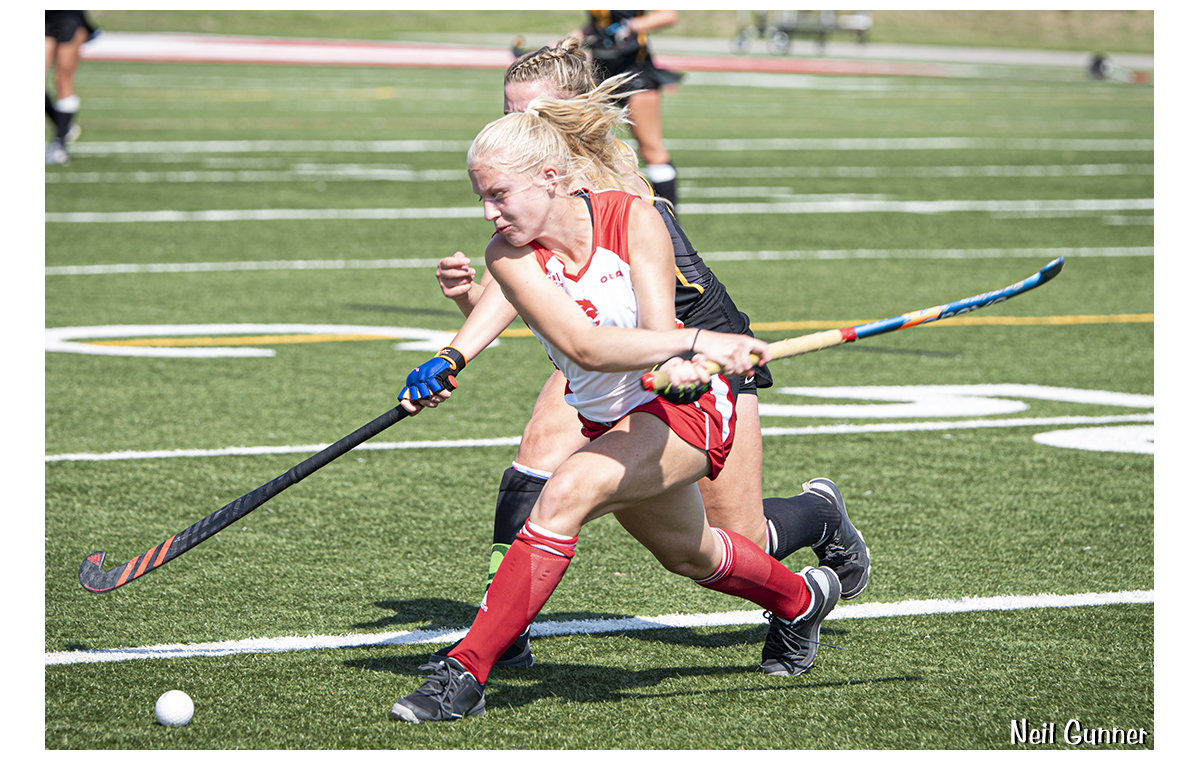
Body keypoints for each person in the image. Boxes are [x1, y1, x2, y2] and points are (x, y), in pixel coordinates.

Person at [409, 40, 869, 672]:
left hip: (691, 340)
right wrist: (464, 329)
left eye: (536, 115)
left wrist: (690, 351)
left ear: (575, 112)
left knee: (731, 541)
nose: (522, 129)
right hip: (615, 351)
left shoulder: (609, 184)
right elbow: (536, 296)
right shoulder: (531, 183)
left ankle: (817, 517)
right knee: (541, 448)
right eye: (511, 113)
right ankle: (502, 631)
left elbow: (591, 325)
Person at [573, 11, 682, 206]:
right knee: (581, 145)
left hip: (633, 70)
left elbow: (668, 14)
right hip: (600, 71)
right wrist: (571, 40)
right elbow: (596, 25)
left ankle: (669, 223)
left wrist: (631, 25)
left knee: (652, 149)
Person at [45, 10, 98, 165]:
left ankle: (59, 144)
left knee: (62, 80)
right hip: (44, 16)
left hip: (70, 17)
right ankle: (63, 125)